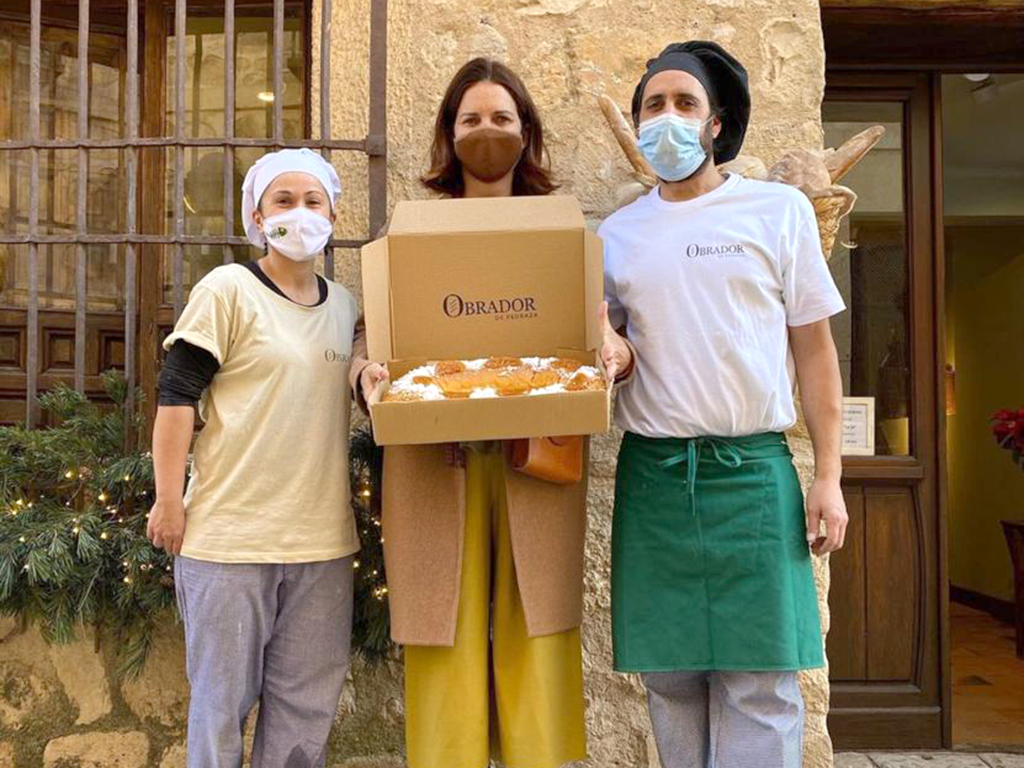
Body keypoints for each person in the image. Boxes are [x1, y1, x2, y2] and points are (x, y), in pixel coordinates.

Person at [350, 58, 632, 768]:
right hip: (434, 465)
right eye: (470, 118)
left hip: (535, 462)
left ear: (526, 131)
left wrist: (615, 353)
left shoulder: (566, 232)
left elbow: (600, 327)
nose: (487, 132)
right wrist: (365, 374)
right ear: (449, 133)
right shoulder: (410, 229)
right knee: (444, 642)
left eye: (502, 118)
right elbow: (369, 336)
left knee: (537, 637)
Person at [598, 41, 849, 768]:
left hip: (753, 472)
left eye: (685, 103)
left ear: (716, 123)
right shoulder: (616, 235)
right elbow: (608, 348)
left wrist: (828, 475)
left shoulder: (777, 212)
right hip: (654, 474)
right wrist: (608, 353)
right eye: (653, 105)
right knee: (670, 678)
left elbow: (816, 352)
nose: (666, 118)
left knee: (761, 682)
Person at [147, 148, 361, 768]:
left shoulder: (345, 307)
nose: (300, 213)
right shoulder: (227, 290)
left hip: (321, 544)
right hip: (229, 542)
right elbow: (177, 394)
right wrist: (167, 499)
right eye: (283, 201)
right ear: (257, 217)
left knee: (304, 714)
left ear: (333, 213)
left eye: (313, 201)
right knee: (221, 708)